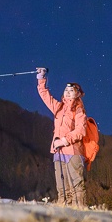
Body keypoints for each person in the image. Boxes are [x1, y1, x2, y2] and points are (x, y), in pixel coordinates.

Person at [36, 66, 86, 207]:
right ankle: (63, 210)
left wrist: (64, 141)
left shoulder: (79, 109)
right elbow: (45, 95)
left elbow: (81, 131)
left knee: (76, 186)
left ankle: (80, 212)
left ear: (77, 94)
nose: (68, 93)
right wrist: (41, 78)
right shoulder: (58, 107)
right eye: (66, 90)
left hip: (73, 152)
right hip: (58, 153)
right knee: (62, 187)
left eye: (71, 91)